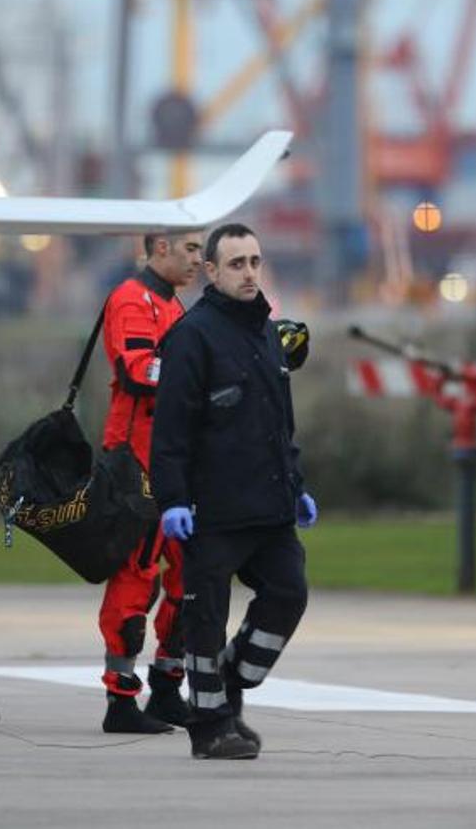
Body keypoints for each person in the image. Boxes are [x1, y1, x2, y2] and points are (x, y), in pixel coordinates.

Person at [150, 223, 318, 760]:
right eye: (237, 263)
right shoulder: (191, 337)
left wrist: (297, 487)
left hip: (268, 505)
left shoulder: (267, 332)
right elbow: (170, 432)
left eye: (255, 262)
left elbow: (279, 425)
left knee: (289, 592)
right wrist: (173, 500)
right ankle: (210, 725)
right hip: (212, 510)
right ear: (212, 272)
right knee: (205, 617)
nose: (249, 272)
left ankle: (230, 680)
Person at [95, 231, 203, 734]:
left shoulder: (173, 305)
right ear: (160, 248)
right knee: (137, 573)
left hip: (175, 460)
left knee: (191, 572)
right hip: (136, 462)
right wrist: (202, 374)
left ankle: (166, 684)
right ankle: (120, 700)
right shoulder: (131, 300)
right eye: (191, 249)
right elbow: (139, 371)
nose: (199, 260)